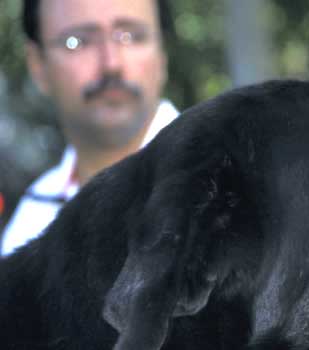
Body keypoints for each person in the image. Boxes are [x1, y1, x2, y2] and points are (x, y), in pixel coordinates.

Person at [1, 0, 179, 256]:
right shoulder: (30, 222)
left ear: (163, 54)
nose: (111, 63)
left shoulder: (226, 181)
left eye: (131, 36)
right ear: (38, 65)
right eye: (78, 41)